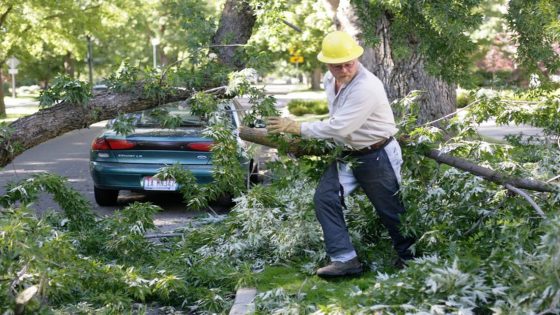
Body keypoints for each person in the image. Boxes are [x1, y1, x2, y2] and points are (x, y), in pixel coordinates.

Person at [267, 31, 415, 278]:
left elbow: (340, 127)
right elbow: (337, 120)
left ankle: (412, 259)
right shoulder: (329, 79)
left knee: (390, 210)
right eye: (338, 66)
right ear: (327, 64)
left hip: (377, 154)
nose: (345, 70)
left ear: (357, 58)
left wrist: (297, 127)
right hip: (348, 153)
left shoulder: (366, 87)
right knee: (325, 198)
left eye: (349, 63)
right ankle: (345, 260)